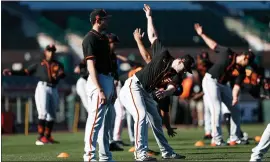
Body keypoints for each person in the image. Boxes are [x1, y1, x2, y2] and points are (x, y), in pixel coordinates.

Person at [119, 4, 194, 161]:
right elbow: (153, 36)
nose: (184, 70)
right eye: (185, 67)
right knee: (141, 116)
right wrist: (149, 17)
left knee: (156, 120)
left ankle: (166, 152)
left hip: (146, 91)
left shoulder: (177, 74)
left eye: (186, 70)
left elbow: (172, 87)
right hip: (133, 86)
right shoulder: (164, 55)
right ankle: (140, 154)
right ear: (180, 60)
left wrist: (166, 91)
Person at [194, 23, 255, 146]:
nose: (247, 64)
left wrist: (235, 97)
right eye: (248, 61)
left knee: (236, 109)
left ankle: (234, 137)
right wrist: (202, 34)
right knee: (216, 109)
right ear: (244, 57)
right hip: (210, 81)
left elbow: (237, 86)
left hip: (223, 84)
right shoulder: (227, 52)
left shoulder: (242, 71)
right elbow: (213, 45)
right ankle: (216, 139)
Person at [3, 44, 65, 145]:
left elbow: (63, 75)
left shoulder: (58, 64)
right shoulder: (39, 64)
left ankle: (47, 137)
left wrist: (60, 74)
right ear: (45, 52)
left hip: (54, 88)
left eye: (53, 50)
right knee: (43, 112)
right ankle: (40, 137)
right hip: (43, 87)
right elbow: (26, 71)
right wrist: (12, 72)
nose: (51, 52)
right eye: (49, 50)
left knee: (52, 114)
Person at [82, 9, 115, 162]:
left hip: (106, 79)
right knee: (95, 121)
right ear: (97, 19)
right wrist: (100, 89)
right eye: (105, 19)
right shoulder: (90, 38)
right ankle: (89, 156)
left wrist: (112, 86)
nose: (107, 21)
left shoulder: (102, 38)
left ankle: (105, 156)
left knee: (104, 124)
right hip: (98, 81)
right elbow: (91, 67)